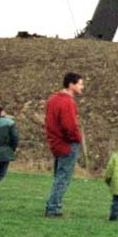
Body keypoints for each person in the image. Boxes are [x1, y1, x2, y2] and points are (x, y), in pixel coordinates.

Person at [44, 72, 85, 217]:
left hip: (56, 142)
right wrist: (77, 138)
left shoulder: (52, 99)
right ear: (71, 84)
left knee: (58, 176)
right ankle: (53, 208)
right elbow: (70, 126)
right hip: (67, 144)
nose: (82, 87)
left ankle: (53, 205)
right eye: (80, 83)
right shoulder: (67, 102)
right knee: (63, 178)